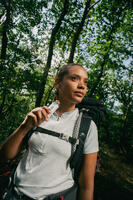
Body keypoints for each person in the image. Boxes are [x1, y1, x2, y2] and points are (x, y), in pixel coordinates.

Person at [0, 63, 99, 200]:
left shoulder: (87, 126)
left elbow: (86, 185)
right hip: (13, 194)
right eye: (74, 78)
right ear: (58, 83)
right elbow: (5, 155)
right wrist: (24, 127)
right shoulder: (38, 114)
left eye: (85, 82)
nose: (82, 85)